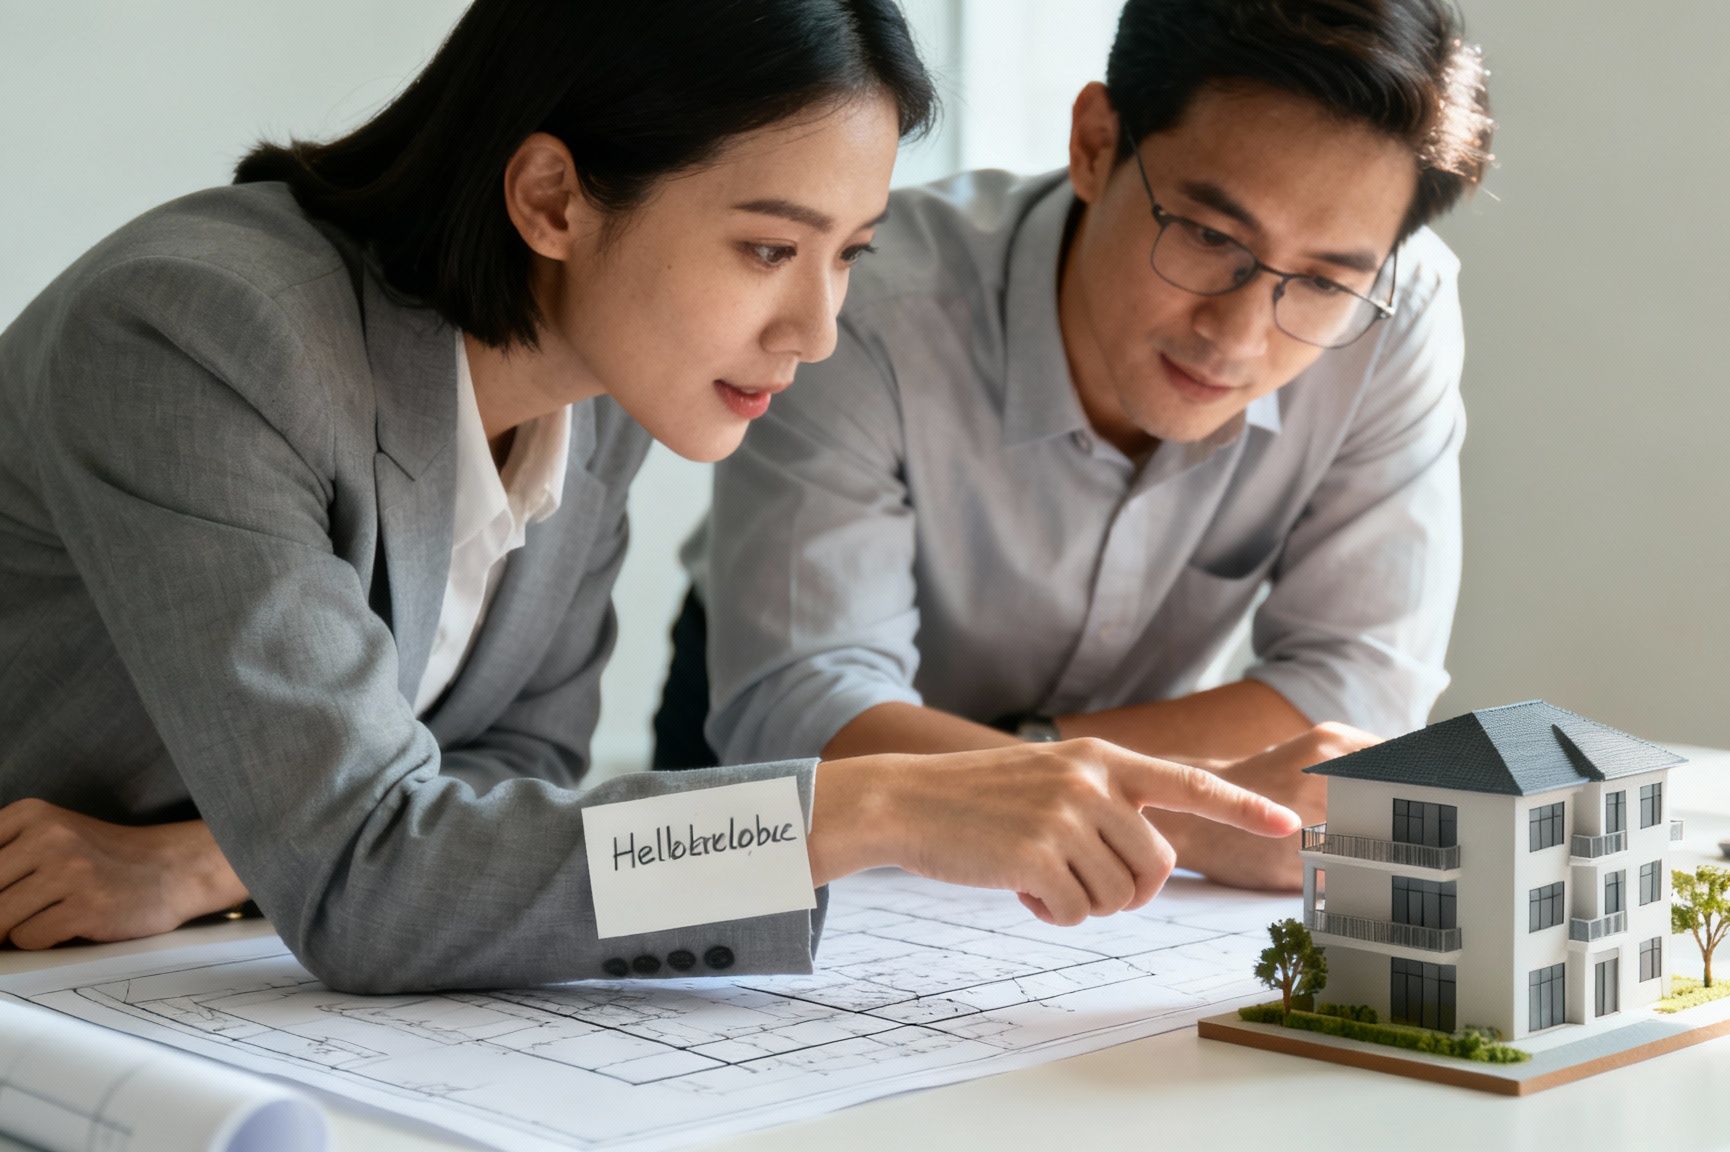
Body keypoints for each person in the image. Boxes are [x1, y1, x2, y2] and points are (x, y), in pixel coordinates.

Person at [0, 0, 1299, 991]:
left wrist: (212, 861)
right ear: (553, 197)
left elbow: (509, 775)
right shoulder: (204, 337)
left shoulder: (603, 389)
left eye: (845, 257)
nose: (816, 329)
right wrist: (875, 804)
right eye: (767, 249)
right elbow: (366, 885)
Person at [657, 0, 1495, 891]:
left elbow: (1359, 694)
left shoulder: (1392, 315)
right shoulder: (863, 301)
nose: (1239, 335)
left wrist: (1049, 769)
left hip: (1104, 845)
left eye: (1325, 280)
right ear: (1095, 143)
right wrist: (1178, 812)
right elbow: (807, 715)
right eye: (1211, 237)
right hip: (809, 806)